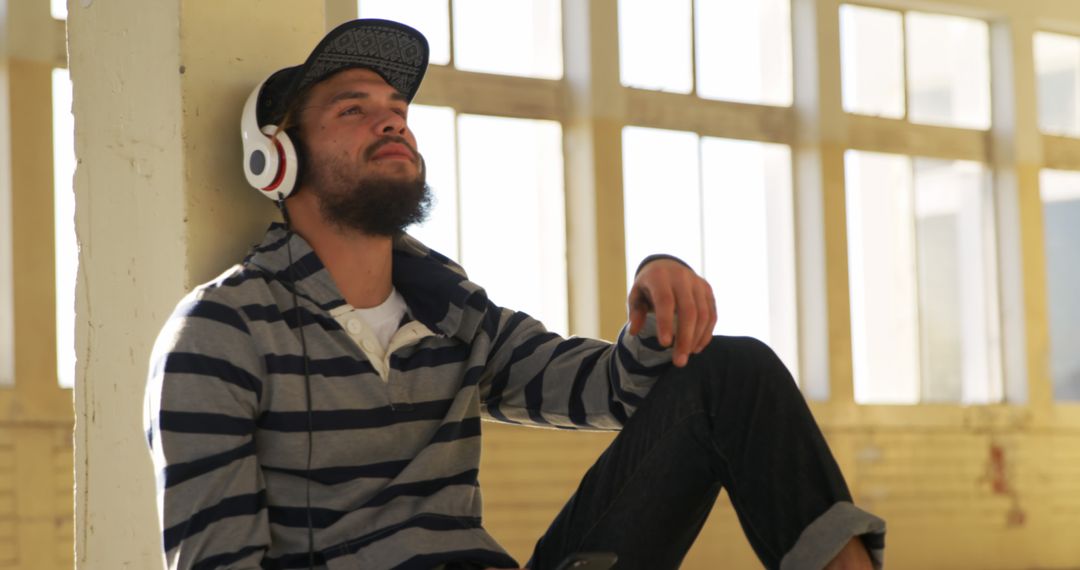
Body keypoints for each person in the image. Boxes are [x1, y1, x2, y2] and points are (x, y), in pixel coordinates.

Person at [144, 19, 885, 570]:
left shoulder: (449, 304)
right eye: (351, 108)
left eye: (397, 106)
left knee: (734, 371)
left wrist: (655, 311)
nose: (392, 116)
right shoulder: (221, 333)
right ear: (275, 159)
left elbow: (608, 391)